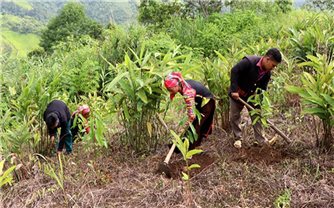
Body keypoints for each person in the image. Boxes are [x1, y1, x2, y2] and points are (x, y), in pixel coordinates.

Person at [228, 48, 282, 148]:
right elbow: (234, 71)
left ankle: (261, 140)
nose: (273, 68)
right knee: (234, 116)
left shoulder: (267, 73)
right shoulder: (249, 62)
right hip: (238, 93)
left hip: (252, 96)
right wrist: (234, 90)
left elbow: (262, 90)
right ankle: (238, 139)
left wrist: (259, 103)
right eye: (273, 65)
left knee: (257, 117)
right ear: (267, 59)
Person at [164, 72, 216, 150]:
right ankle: (184, 145)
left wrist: (190, 117)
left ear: (176, 85)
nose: (170, 92)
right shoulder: (182, 85)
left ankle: (190, 149)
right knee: (193, 124)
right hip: (199, 102)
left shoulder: (187, 91)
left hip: (207, 103)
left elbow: (191, 112)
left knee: (196, 125)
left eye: (170, 90)